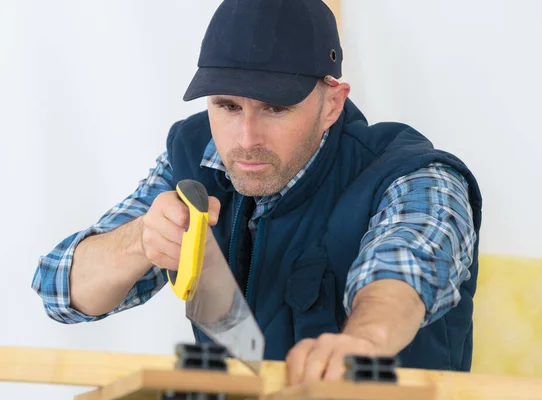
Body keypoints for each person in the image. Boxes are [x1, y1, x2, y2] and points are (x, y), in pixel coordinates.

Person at [32, 0, 482, 385]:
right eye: (227, 106)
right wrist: (142, 241)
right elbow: (58, 289)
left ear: (332, 102)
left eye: (275, 108)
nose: (245, 139)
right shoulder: (195, 158)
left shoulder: (414, 176)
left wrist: (362, 341)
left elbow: (405, 268)